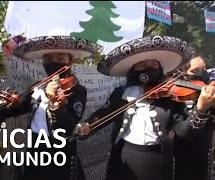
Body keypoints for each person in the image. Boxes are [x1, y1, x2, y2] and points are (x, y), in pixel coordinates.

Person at [75, 36, 215, 180]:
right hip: (122, 156)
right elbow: (103, 114)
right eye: (142, 64)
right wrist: (88, 126)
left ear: (160, 68)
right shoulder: (121, 92)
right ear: (133, 69)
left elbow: (185, 132)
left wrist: (200, 109)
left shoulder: (171, 96)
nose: (149, 67)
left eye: (154, 64)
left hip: (156, 162)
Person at [0, 35, 103, 180]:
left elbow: (68, 126)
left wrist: (55, 106)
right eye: (48, 59)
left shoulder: (77, 90)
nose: (53, 63)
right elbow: (13, 109)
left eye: (60, 58)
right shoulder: (37, 87)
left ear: (71, 61)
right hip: (34, 147)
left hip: (60, 151)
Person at [173, 52, 215, 180]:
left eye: (203, 69)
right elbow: (184, 133)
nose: (202, 74)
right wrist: (201, 108)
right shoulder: (176, 98)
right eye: (196, 71)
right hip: (181, 160)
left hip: (205, 158)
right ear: (183, 74)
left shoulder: (209, 92)